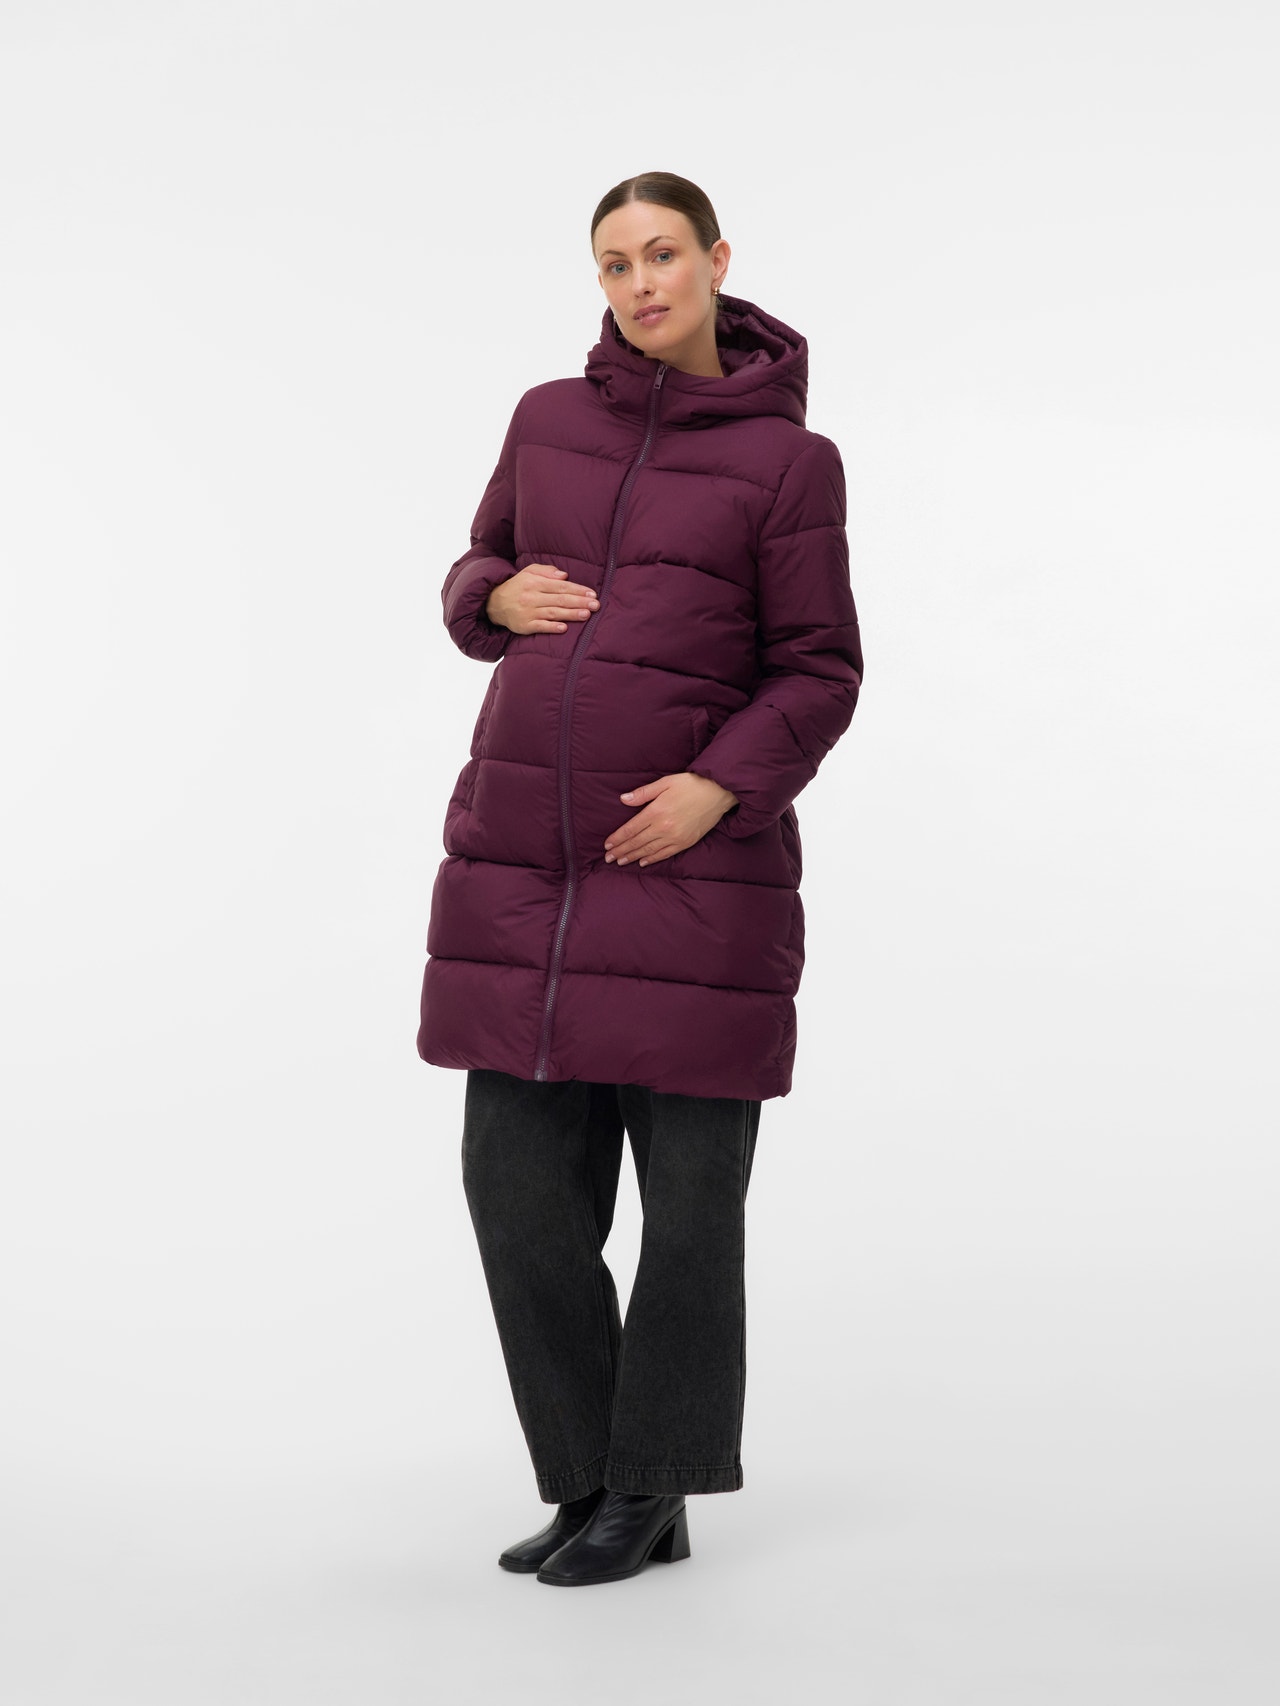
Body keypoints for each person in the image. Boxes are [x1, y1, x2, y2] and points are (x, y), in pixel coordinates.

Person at [417, 171, 863, 1586]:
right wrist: (487, 595)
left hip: (694, 885)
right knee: (515, 1187)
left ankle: (654, 1483)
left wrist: (717, 786)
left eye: (663, 253)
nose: (641, 283)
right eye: (614, 263)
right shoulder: (547, 416)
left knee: (688, 1218)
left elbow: (820, 669)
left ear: (718, 259)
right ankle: (592, 1479)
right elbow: (478, 567)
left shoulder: (791, 464)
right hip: (526, 877)